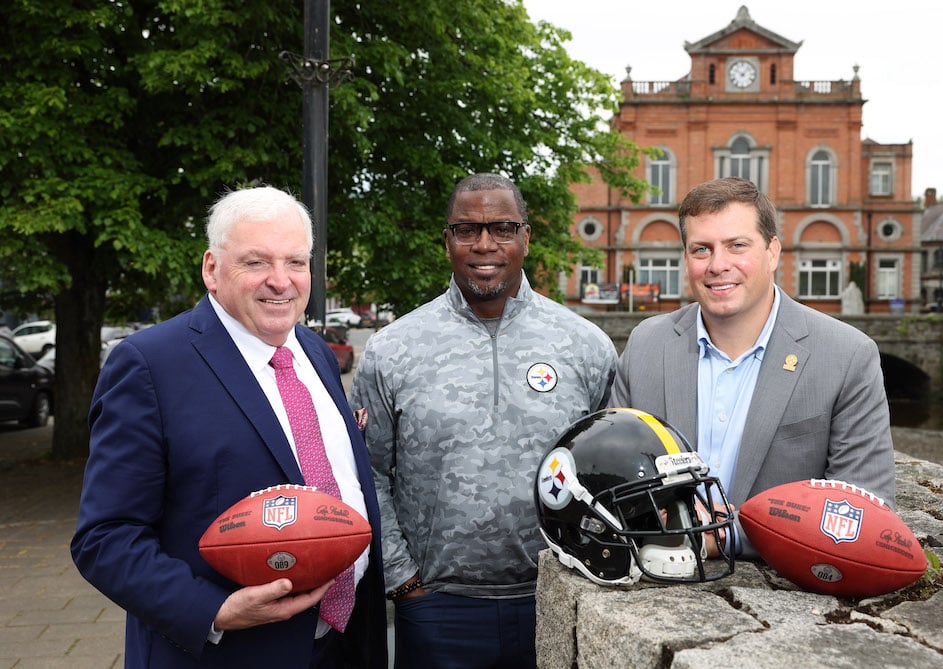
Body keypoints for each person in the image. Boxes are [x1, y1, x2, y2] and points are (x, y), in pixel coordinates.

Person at [71, 186, 387, 668]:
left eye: (296, 262)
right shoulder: (150, 365)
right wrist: (212, 610)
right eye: (256, 262)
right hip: (228, 654)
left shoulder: (316, 353)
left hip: (343, 642)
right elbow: (105, 538)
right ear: (212, 269)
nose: (281, 281)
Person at [348, 173, 618, 668]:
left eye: (503, 228)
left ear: (526, 237)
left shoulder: (585, 346)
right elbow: (367, 476)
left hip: (559, 598)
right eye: (467, 230)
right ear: (446, 240)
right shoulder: (393, 349)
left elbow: (608, 473)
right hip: (436, 608)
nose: (485, 244)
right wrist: (403, 582)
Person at [609, 177, 895, 558]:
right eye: (701, 249)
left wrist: (727, 535)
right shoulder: (646, 344)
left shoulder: (846, 356)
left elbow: (865, 509)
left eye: (737, 246)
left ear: (773, 252)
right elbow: (613, 476)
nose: (718, 265)